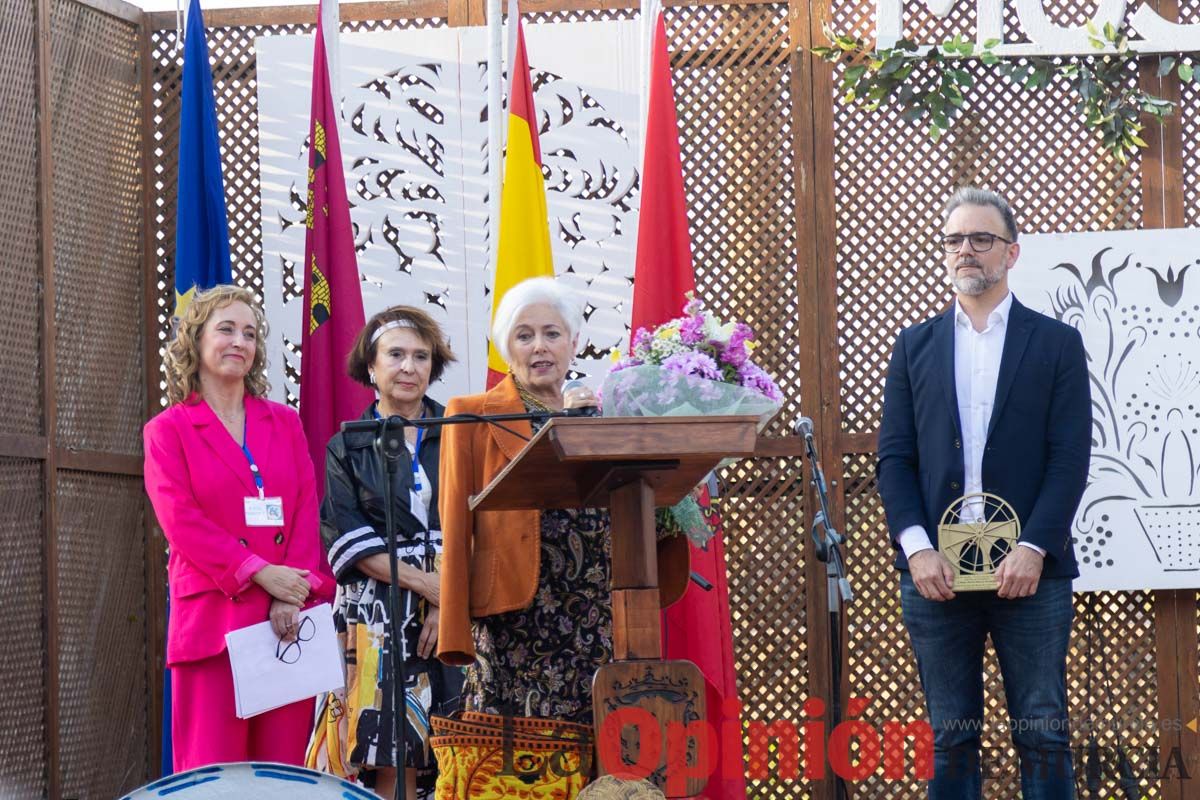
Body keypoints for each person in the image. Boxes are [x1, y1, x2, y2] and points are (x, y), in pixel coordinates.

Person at [877, 187, 1091, 799]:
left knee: (1044, 731)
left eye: (981, 239)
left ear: (1011, 252)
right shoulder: (913, 346)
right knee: (949, 737)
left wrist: (1034, 548)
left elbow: (1070, 458)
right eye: (954, 240)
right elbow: (894, 459)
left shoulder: (1055, 344)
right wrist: (917, 550)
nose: (965, 250)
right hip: (936, 575)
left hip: (1032, 573)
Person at [437, 276, 690, 724]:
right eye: (524, 335)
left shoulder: (602, 413)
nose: (539, 347)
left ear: (574, 343)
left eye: (552, 334)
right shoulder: (472, 413)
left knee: (604, 749)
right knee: (521, 764)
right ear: (505, 348)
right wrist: (454, 628)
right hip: (518, 616)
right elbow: (455, 525)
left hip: (603, 612)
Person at [143, 284, 335, 770]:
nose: (239, 342)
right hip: (213, 625)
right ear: (196, 341)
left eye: (249, 333)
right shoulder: (167, 430)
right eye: (226, 328)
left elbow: (303, 511)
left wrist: (291, 590)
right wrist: (257, 572)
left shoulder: (285, 423)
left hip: (285, 622)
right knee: (214, 774)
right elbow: (180, 520)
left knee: (281, 774)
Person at [317, 306, 464, 798]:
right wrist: (428, 586)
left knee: (463, 745)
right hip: (377, 612)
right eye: (396, 355)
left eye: (421, 356)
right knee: (389, 759)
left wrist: (449, 602)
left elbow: (484, 522)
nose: (409, 367)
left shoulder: (463, 432)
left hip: (461, 603)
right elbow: (347, 539)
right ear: (372, 367)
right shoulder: (348, 443)